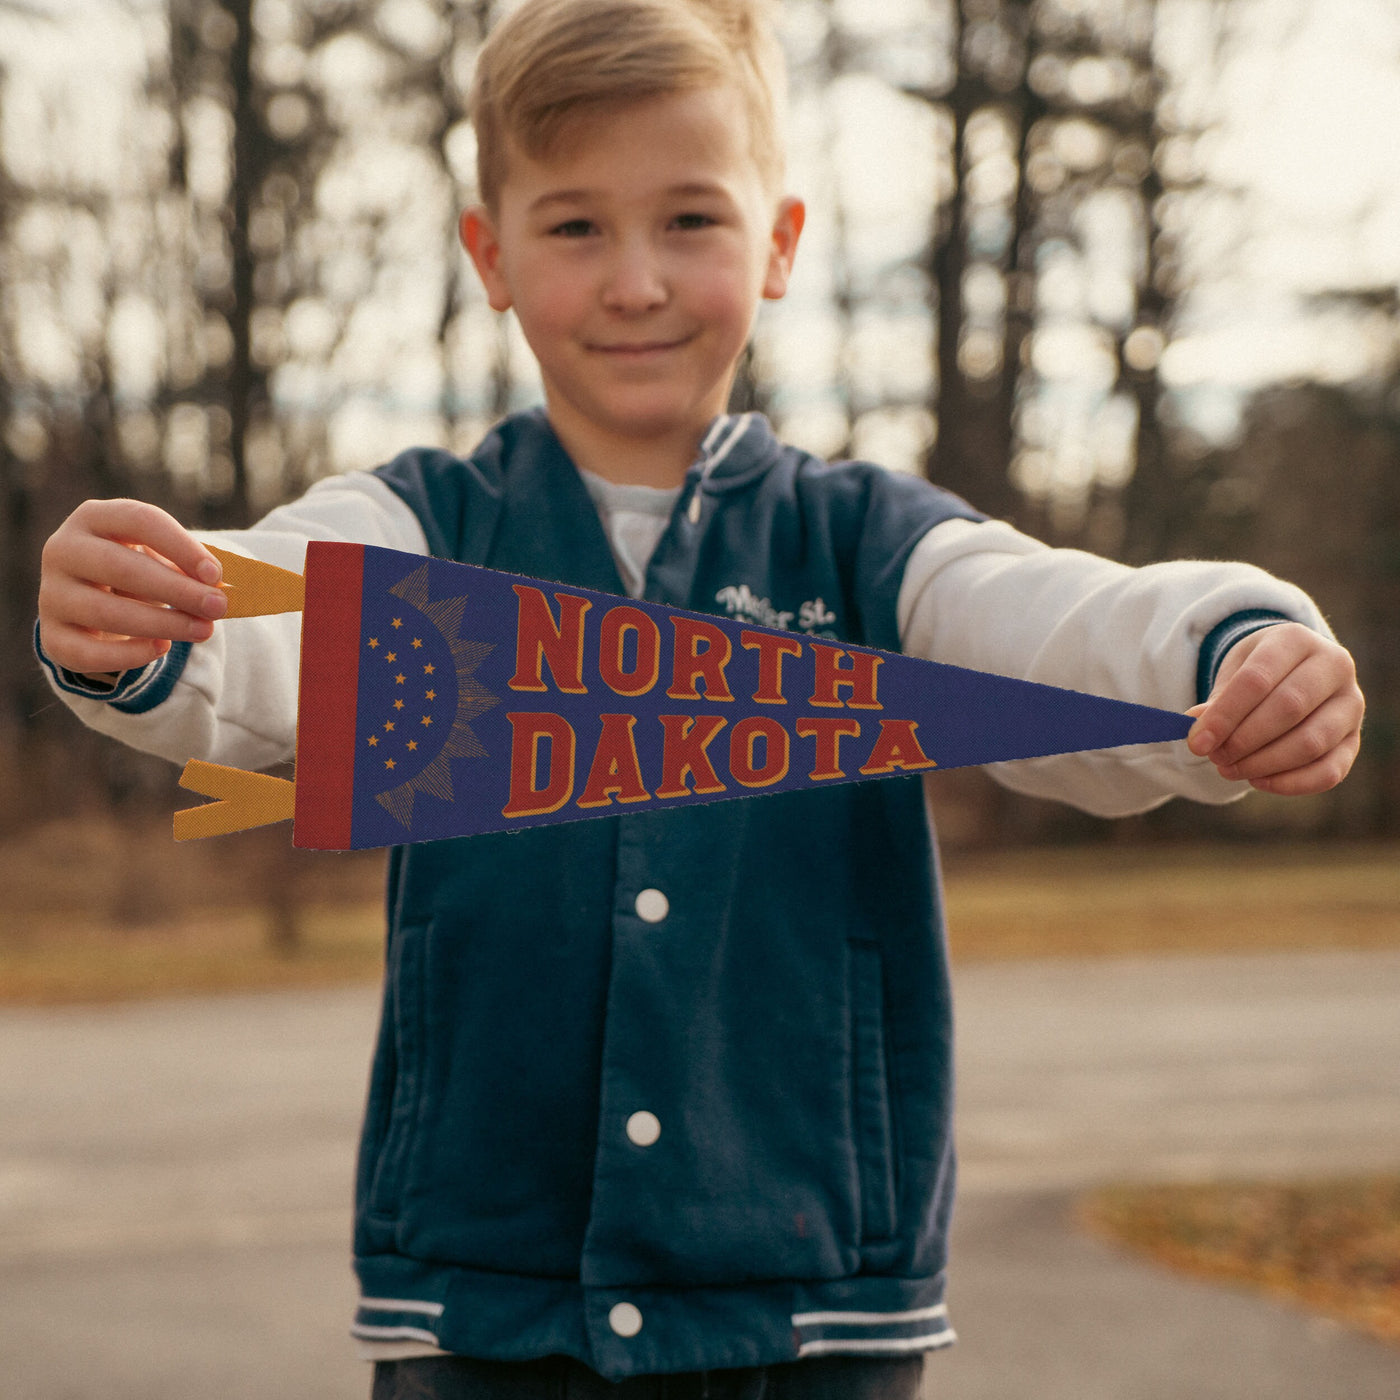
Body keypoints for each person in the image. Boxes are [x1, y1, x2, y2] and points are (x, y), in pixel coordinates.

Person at [35, 1, 1363, 1396]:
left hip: (812, 1311)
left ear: (778, 242)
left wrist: (1234, 644)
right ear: (488, 253)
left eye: (687, 220)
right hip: (485, 1308)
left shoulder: (862, 544)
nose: (634, 282)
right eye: (574, 227)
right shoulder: (426, 525)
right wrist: (154, 619)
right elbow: (280, 628)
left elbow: (1051, 624)